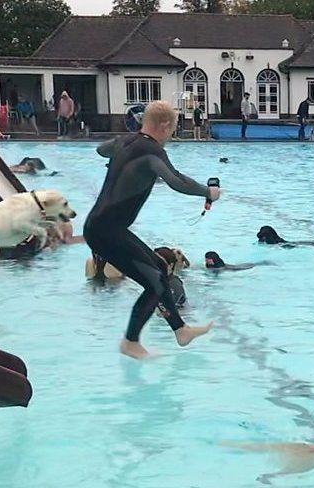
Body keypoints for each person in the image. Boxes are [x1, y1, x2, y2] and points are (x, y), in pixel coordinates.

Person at [86, 100, 218, 359]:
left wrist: (121, 146)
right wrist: (208, 191)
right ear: (166, 125)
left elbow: (102, 150)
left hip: (101, 227)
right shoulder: (152, 151)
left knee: (158, 268)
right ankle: (130, 341)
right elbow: (176, 181)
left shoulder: (126, 141)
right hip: (107, 231)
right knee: (155, 284)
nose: (171, 135)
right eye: (173, 129)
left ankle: (181, 330)